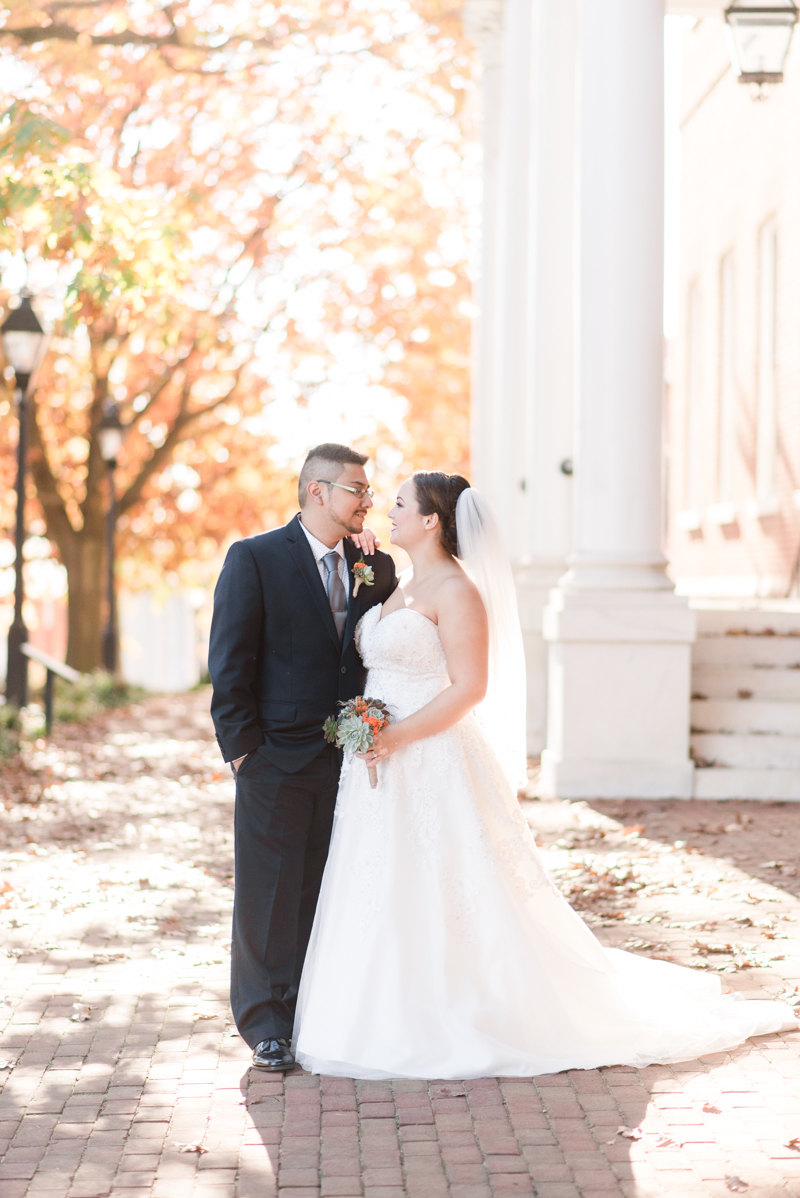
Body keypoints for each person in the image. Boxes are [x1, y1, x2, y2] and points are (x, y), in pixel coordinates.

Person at [294, 471, 796, 1079]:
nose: (386, 511)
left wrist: (396, 735)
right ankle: (370, 1012)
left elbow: (470, 688)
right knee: (381, 879)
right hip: (379, 765)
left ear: (431, 521)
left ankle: (451, 1011)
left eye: (399, 504)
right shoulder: (400, 583)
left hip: (428, 758)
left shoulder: (456, 590)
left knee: (444, 882)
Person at [208, 443, 397, 1071]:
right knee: (269, 896)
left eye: (369, 491)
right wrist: (244, 754)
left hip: (349, 761)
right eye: (356, 489)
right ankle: (266, 1023)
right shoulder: (255, 558)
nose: (367, 500)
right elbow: (230, 664)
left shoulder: (375, 567)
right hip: (273, 760)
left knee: (325, 889)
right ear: (317, 491)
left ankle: (317, 1013)